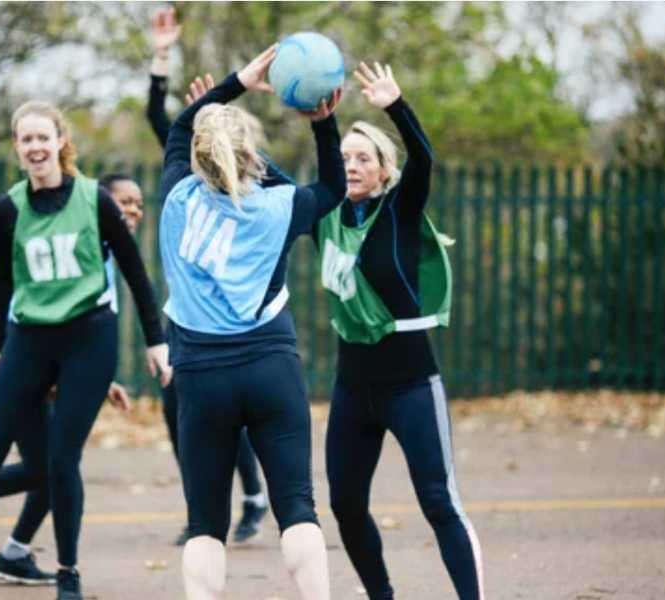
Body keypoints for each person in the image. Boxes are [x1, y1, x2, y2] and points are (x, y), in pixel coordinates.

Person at [0, 102, 170, 600]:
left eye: (42, 138)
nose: (35, 147)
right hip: (29, 339)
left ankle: (68, 573)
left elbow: (135, 273)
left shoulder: (95, 200)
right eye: (26, 139)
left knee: (60, 459)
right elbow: (2, 280)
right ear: (17, 147)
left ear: (60, 142)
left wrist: (155, 341)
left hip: (88, 339)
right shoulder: (8, 208)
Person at [159, 45, 344, 600]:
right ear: (251, 155)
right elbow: (332, 190)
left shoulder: (177, 196)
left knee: (205, 524)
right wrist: (323, 121)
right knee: (297, 507)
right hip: (270, 368)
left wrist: (235, 82)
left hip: (201, 376)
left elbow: (178, 129)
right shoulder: (281, 205)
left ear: (198, 156)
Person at [317, 61, 484, 600]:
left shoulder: (399, 210)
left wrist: (395, 106)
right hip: (352, 388)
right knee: (345, 504)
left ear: (384, 170)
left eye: (363, 158)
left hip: (411, 385)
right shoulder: (324, 216)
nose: (351, 165)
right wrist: (321, 121)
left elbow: (425, 157)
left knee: (438, 500)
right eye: (345, 158)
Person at [146, 6, 267, 546]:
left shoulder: (257, 190)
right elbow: (161, 117)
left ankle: (253, 493)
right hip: (187, 312)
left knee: (226, 407)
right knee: (180, 407)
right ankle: (206, 504)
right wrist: (163, 57)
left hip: (234, 315)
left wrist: (215, 107)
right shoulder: (183, 177)